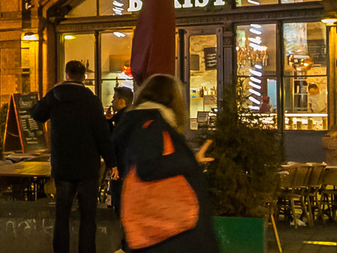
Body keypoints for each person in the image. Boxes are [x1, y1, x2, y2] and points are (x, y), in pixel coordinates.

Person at [111, 74, 216, 253]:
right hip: (170, 232)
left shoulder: (137, 123)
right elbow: (148, 167)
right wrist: (188, 160)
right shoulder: (153, 125)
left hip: (150, 231)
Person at [31, 61, 115, 253]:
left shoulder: (55, 96)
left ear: (66, 74)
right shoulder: (91, 99)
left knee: (61, 216)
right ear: (84, 76)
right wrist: (111, 162)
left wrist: (52, 92)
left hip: (63, 166)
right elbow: (101, 134)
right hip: (87, 167)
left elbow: (37, 114)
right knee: (88, 218)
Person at [108, 86, 134, 210]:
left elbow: (115, 144)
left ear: (121, 101)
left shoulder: (121, 121)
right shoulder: (131, 118)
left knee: (120, 205)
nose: (112, 102)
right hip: (129, 169)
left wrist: (114, 165)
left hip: (121, 170)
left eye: (114, 99)